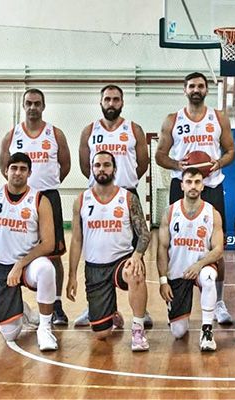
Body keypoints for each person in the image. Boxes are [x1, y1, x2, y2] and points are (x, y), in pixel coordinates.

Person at [155, 72, 235, 325]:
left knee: (216, 247)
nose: (196, 89)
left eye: (200, 86)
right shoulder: (173, 120)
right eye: (191, 86)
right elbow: (160, 155)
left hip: (211, 185)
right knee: (175, 243)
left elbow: (231, 150)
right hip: (182, 186)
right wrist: (177, 165)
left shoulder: (218, 118)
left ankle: (218, 301)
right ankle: (175, 291)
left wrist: (218, 163)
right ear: (185, 90)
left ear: (206, 89)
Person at [76, 84, 152, 328]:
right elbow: (84, 165)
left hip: (126, 193)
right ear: (100, 102)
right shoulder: (89, 131)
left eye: (116, 99)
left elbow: (142, 163)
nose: (111, 103)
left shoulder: (134, 129)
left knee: (136, 253)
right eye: (107, 99)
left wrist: (124, 183)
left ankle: (141, 309)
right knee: (96, 251)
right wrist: (102, 183)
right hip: (97, 194)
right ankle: (97, 305)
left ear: (122, 102)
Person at [66, 151, 152, 351]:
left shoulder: (128, 198)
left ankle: (138, 329)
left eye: (106, 165)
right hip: (95, 267)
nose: (102, 169)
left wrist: (137, 256)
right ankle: (111, 313)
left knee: (135, 272)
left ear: (114, 169)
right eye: (97, 165)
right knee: (101, 334)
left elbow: (144, 234)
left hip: (122, 261)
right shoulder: (81, 200)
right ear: (91, 169)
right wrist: (72, 276)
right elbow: (76, 240)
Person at [0, 88, 71, 325]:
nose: (33, 107)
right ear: (23, 106)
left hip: (48, 196)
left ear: (43, 106)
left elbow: (65, 164)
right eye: (29, 103)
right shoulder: (12, 135)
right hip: (21, 200)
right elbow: (4, 166)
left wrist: (47, 184)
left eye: (37, 103)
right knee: (15, 250)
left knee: (54, 254)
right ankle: (15, 303)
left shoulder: (55, 134)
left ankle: (56, 304)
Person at [0, 152, 58, 351]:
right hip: (0, 266)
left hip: (28, 264)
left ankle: (45, 328)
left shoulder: (39, 200)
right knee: (10, 333)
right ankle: (25, 311)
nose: (18, 173)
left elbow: (48, 244)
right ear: (6, 171)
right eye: (14, 168)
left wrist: (20, 264)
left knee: (47, 269)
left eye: (23, 169)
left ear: (29, 173)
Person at [156, 168, 224, 351]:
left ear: (202, 186)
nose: (193, 186)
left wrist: (199, 264)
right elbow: (162, 249)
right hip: (178, 272)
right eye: (189, 182)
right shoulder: (170, 212)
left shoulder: (212, 213)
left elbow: (218, 249)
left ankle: (207, 331)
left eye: (197, 182)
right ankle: (177, 315)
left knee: (208, 277)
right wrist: (163, 281)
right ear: (182, 186)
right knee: (178, 332)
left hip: (202, 266)